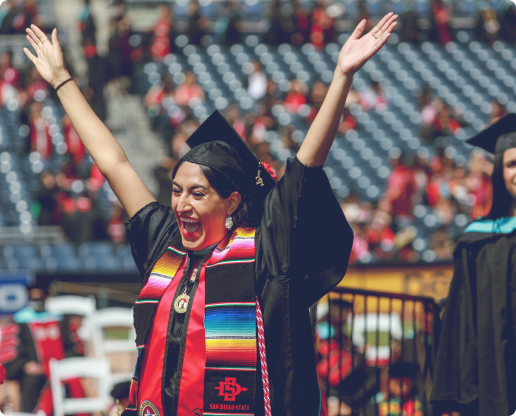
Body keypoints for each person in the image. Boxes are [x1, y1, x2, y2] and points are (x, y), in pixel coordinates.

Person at [23, 13, 397, 414]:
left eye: (198, 194)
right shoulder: (165, 244)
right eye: (176, 191)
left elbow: (304, 169)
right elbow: (115, 165)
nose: (182, 204)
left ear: (232, 202)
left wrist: (342, 76)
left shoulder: (263, 254)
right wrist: (62, 81)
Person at [431, 114, 516, 416]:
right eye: (511, 164)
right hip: (498, 382)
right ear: (498, 172)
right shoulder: (479, 241)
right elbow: (462, 320)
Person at [1, 281, 86, 414]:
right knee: (31, 380)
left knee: (72, 380)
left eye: (40, 298)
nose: (37, 301)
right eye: (33, 298)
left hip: (61, 368)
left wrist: (64, 365)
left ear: (46, 298)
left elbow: (73, 347)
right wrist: (25, 364)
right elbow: (10, 353)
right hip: (34, 370)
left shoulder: (60, 321)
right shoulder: (20, 322)